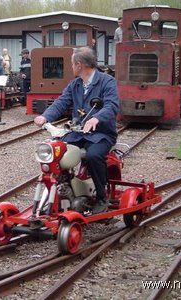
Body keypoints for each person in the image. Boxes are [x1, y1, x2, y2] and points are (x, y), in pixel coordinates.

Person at [34, 47, 119, 213]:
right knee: (55, 151)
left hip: (101, 134)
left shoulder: (107, 81)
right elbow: (61, 102)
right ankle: (61, 194)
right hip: (78, 133)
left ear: (79, 65)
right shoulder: (75, 84)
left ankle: (102, 198)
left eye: (72, 64)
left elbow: (112, 105)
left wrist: (97, 118)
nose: (71, 67)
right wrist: (45, 117)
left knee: (94, 156)